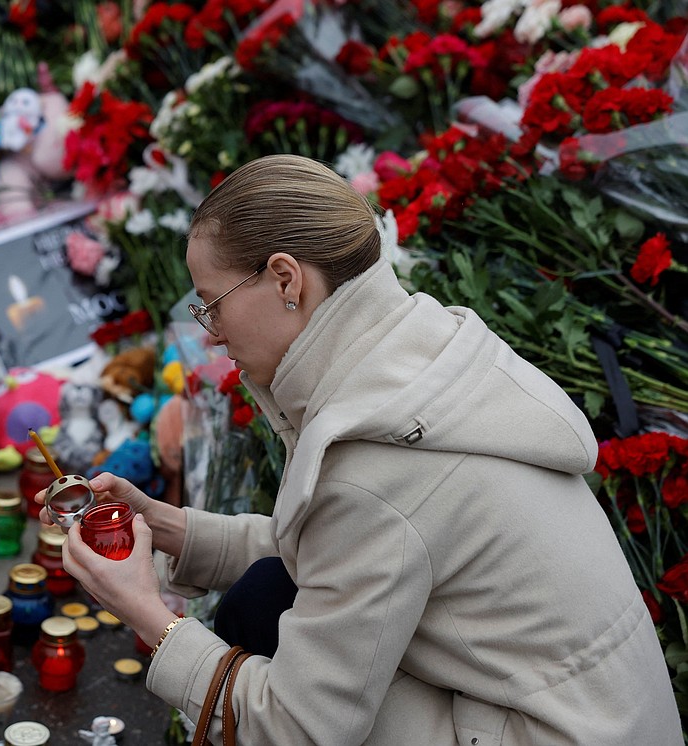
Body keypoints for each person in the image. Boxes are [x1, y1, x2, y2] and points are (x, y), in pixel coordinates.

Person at [39, 154, 681, 744]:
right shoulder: (423, 361)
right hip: (603, 718)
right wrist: (168, 528)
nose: (209, 335)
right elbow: (360, 549)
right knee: (269, 597)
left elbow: (296, 726)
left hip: (553, 732)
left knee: (266, 631)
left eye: (212, 305)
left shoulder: (375, 458)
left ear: (286, 278)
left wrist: (149, 614)